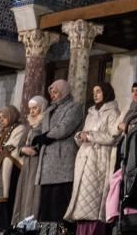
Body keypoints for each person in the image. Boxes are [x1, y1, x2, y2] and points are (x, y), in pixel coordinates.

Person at [65, 83, 120, 234]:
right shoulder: (91, 113)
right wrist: (80, 136)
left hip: (99, 160)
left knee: (93, 203)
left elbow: (113, 137)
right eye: (94, 91)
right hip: (84, 159)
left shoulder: (112, 112)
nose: (95, 94)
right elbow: (83, 135)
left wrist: (90, 136)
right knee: (82, 203)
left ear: (106, 92)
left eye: (98, 91)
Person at [33, 79, 83, 228]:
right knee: (46, 206)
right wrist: (36, 137)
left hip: (62, 162)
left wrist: (46, 136)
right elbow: (39, 129)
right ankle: (45, 231)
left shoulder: (74, 107)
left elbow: (65, 128)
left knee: (59, 204)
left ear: (64, 92)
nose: (53, 95)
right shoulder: (49, 110)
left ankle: (62, 231)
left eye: (56, 92)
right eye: (52, 93)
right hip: (47, 164)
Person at [0, 105, 27, 234]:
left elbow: (14, 146)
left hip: (11, 171)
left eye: (4, 117)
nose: (1, 120)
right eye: (0, 117)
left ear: (12, 116)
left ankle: (5, 231)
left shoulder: (20, 129)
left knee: (8, 200)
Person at [10, 96, 46, 228]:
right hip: (26, 165)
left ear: (42, 107)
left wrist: (35, 149)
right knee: (24, 193)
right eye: (30, 108)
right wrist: (22, 150)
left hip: (37, 163)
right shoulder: (29, 125)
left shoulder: (44, 123)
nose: (32, 111)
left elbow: (45, 142)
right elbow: (18, 146)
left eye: (35, 108)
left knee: (33, 194)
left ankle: (31, 225)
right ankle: (21, 225)